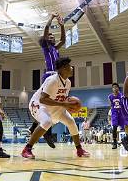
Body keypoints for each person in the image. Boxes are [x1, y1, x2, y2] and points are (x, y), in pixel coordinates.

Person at [21, 57, 90, 159]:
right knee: (47, 121)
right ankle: (27, 149)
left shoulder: (68, 82)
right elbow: (43, 99)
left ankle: (79, 150)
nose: (72, 68)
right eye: (69, 66)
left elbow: (62, 99)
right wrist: (64, 105)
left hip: (55, 107)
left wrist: (70, 104)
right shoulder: (52, 80)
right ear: (63, 68)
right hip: (38, 105)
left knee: (71, 122)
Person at [28, 13, 66, 149]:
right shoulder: (46, 47)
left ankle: (35, 128)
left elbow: (63, 39)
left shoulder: (55, 49)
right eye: (49, 36)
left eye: (52, 36)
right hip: (49, 76)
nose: (51, 37)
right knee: (47, 103)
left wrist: (62, 26)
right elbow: (45, 32)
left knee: (50, 106)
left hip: (56, 76)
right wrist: (51, 18)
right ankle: (45, 132)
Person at [108, 83, 128, 149]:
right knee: (114, 127)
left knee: (126, 127)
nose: (115, 88)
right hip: (115, 113)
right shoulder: (110, 96)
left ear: (118, 88)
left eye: (116, 87)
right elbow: (110, 105)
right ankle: (114, 142)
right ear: (112, 89)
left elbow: (125, 103)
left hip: (122, 113)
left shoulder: (122, 95)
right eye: (113, 87)